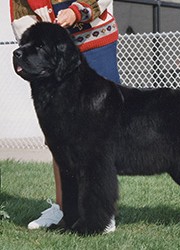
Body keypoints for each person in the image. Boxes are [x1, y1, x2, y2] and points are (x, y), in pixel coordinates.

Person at [10, 0, 120, 233]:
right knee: (59, 137)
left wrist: (76, 12)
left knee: (99, 136)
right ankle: (65, 208)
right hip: (50, 48)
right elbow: (20, 12)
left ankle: (102, 212)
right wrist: (37, 38)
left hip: (93, 38)